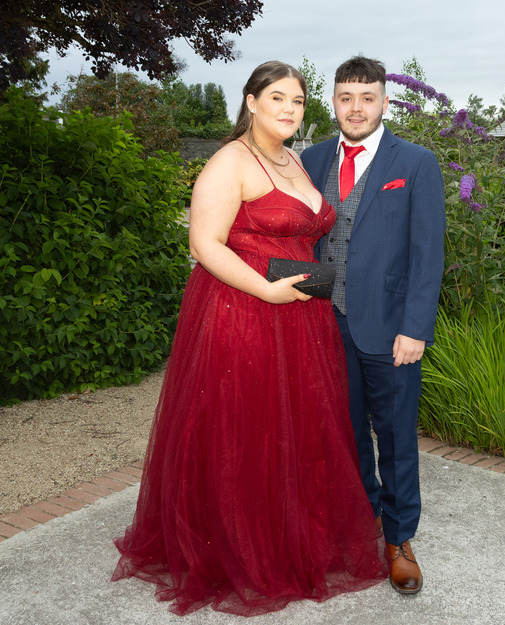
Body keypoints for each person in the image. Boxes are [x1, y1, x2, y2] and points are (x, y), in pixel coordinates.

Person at [111, 61, 389, 617]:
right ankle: (240, 550)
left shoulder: (293, 159)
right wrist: (265, 290)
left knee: (294, 429)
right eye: (278, 97)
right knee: (247, 430)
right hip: (244, 312)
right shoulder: (229, 161)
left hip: (299, 317)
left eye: (298, 101)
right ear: (252, 101)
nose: (289, 109)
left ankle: (290, 538)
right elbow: (204, 244)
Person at [301, 56, 446, 595]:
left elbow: (428, 253)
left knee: (396, 436)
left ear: (385, 101)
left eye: (367, 98)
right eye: (346, 97)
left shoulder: (416, 162)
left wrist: (416, 327)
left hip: (390, 329)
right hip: (323, 322)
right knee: (343, 433)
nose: (356, 108)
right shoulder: (310, 159)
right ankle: (363, 521)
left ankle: (400, 539)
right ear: (333, 102)